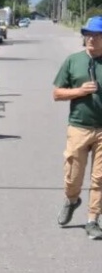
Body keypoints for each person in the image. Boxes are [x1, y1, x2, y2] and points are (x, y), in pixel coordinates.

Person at [53, 16, 102, 239]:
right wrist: (80, 91)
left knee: (99, 178)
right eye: (88, 34)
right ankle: (72, 199)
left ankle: (93, 220)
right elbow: (57, 93)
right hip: (79, 127)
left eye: (97, 35)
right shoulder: (73, 61)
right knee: (73, 175)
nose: (91, 39)